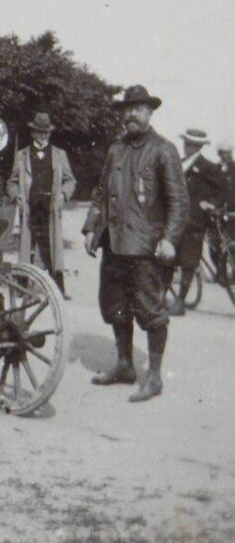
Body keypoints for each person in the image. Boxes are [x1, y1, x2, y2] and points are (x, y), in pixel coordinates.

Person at [82, 85, 188, 402]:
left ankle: (154, 376)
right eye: (127, 109)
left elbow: (179, 201)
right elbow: (101, 192)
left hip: (146, 248)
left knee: (151, 311)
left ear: (149, 113)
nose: (131, 114)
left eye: (138, 109)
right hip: (114, 244)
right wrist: (91, 228)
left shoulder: (163, 150)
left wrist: (169, 238)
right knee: (115, 306)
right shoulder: (116, 150)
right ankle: (125, 366)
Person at [7, 112, 76, 300]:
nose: (43, 136)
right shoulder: (22, 155)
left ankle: (58, 289)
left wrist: (63, 195)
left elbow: (70, 181)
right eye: (39, 132)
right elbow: (11, 182)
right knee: (27, 247)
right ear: (33, 133)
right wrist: (16, 197)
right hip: (29, 208)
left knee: (52, 247)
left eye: (46, 132)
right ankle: (23, 287)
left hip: (50, 209)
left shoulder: (59, 155)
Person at [169, 129, 222, 315]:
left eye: (191, 144)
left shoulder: (209, 167)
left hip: (194, 221)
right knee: (167, 258)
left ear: (199, 146)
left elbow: (222, 190)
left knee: (188, 262)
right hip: (174, 220)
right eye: (186, 142)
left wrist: (210, 203)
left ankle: (180, 302)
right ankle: (162, 297)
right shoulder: (180, 164)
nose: (187, 146)